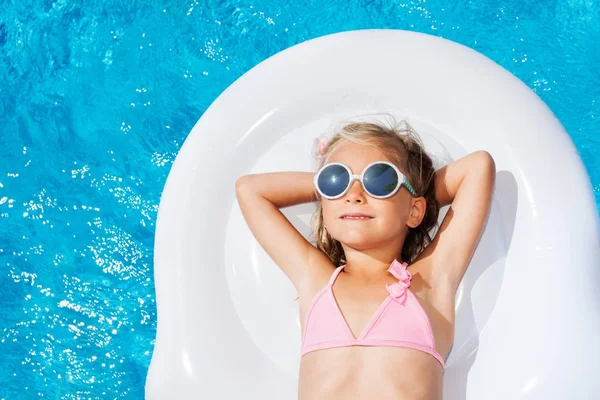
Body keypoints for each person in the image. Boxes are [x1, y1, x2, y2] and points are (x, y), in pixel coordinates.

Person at [235, 118, 495, 400]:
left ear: (414, 211)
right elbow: (249, 189)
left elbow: (478, 168)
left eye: (380, 179)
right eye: (335, 180)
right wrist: (333, 187)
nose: (354, 195)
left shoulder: (431, 280)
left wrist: (412, 198)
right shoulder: (316, 280)